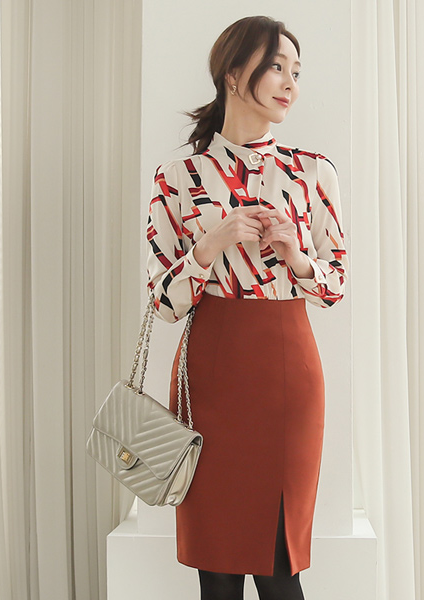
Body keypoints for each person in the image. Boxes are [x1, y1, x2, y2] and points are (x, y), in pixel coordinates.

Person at [146, 15, 349, 600]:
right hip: (210, 375)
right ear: (234, 74)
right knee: (217, 569)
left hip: (288, 374)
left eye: (296, 72)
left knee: (281, 568)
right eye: (276, 67)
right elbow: (163, 303)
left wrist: (296, 255)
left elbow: (335, 283)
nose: (290, 83)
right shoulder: (178, 177)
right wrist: (209, 247)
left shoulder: (313, 172)